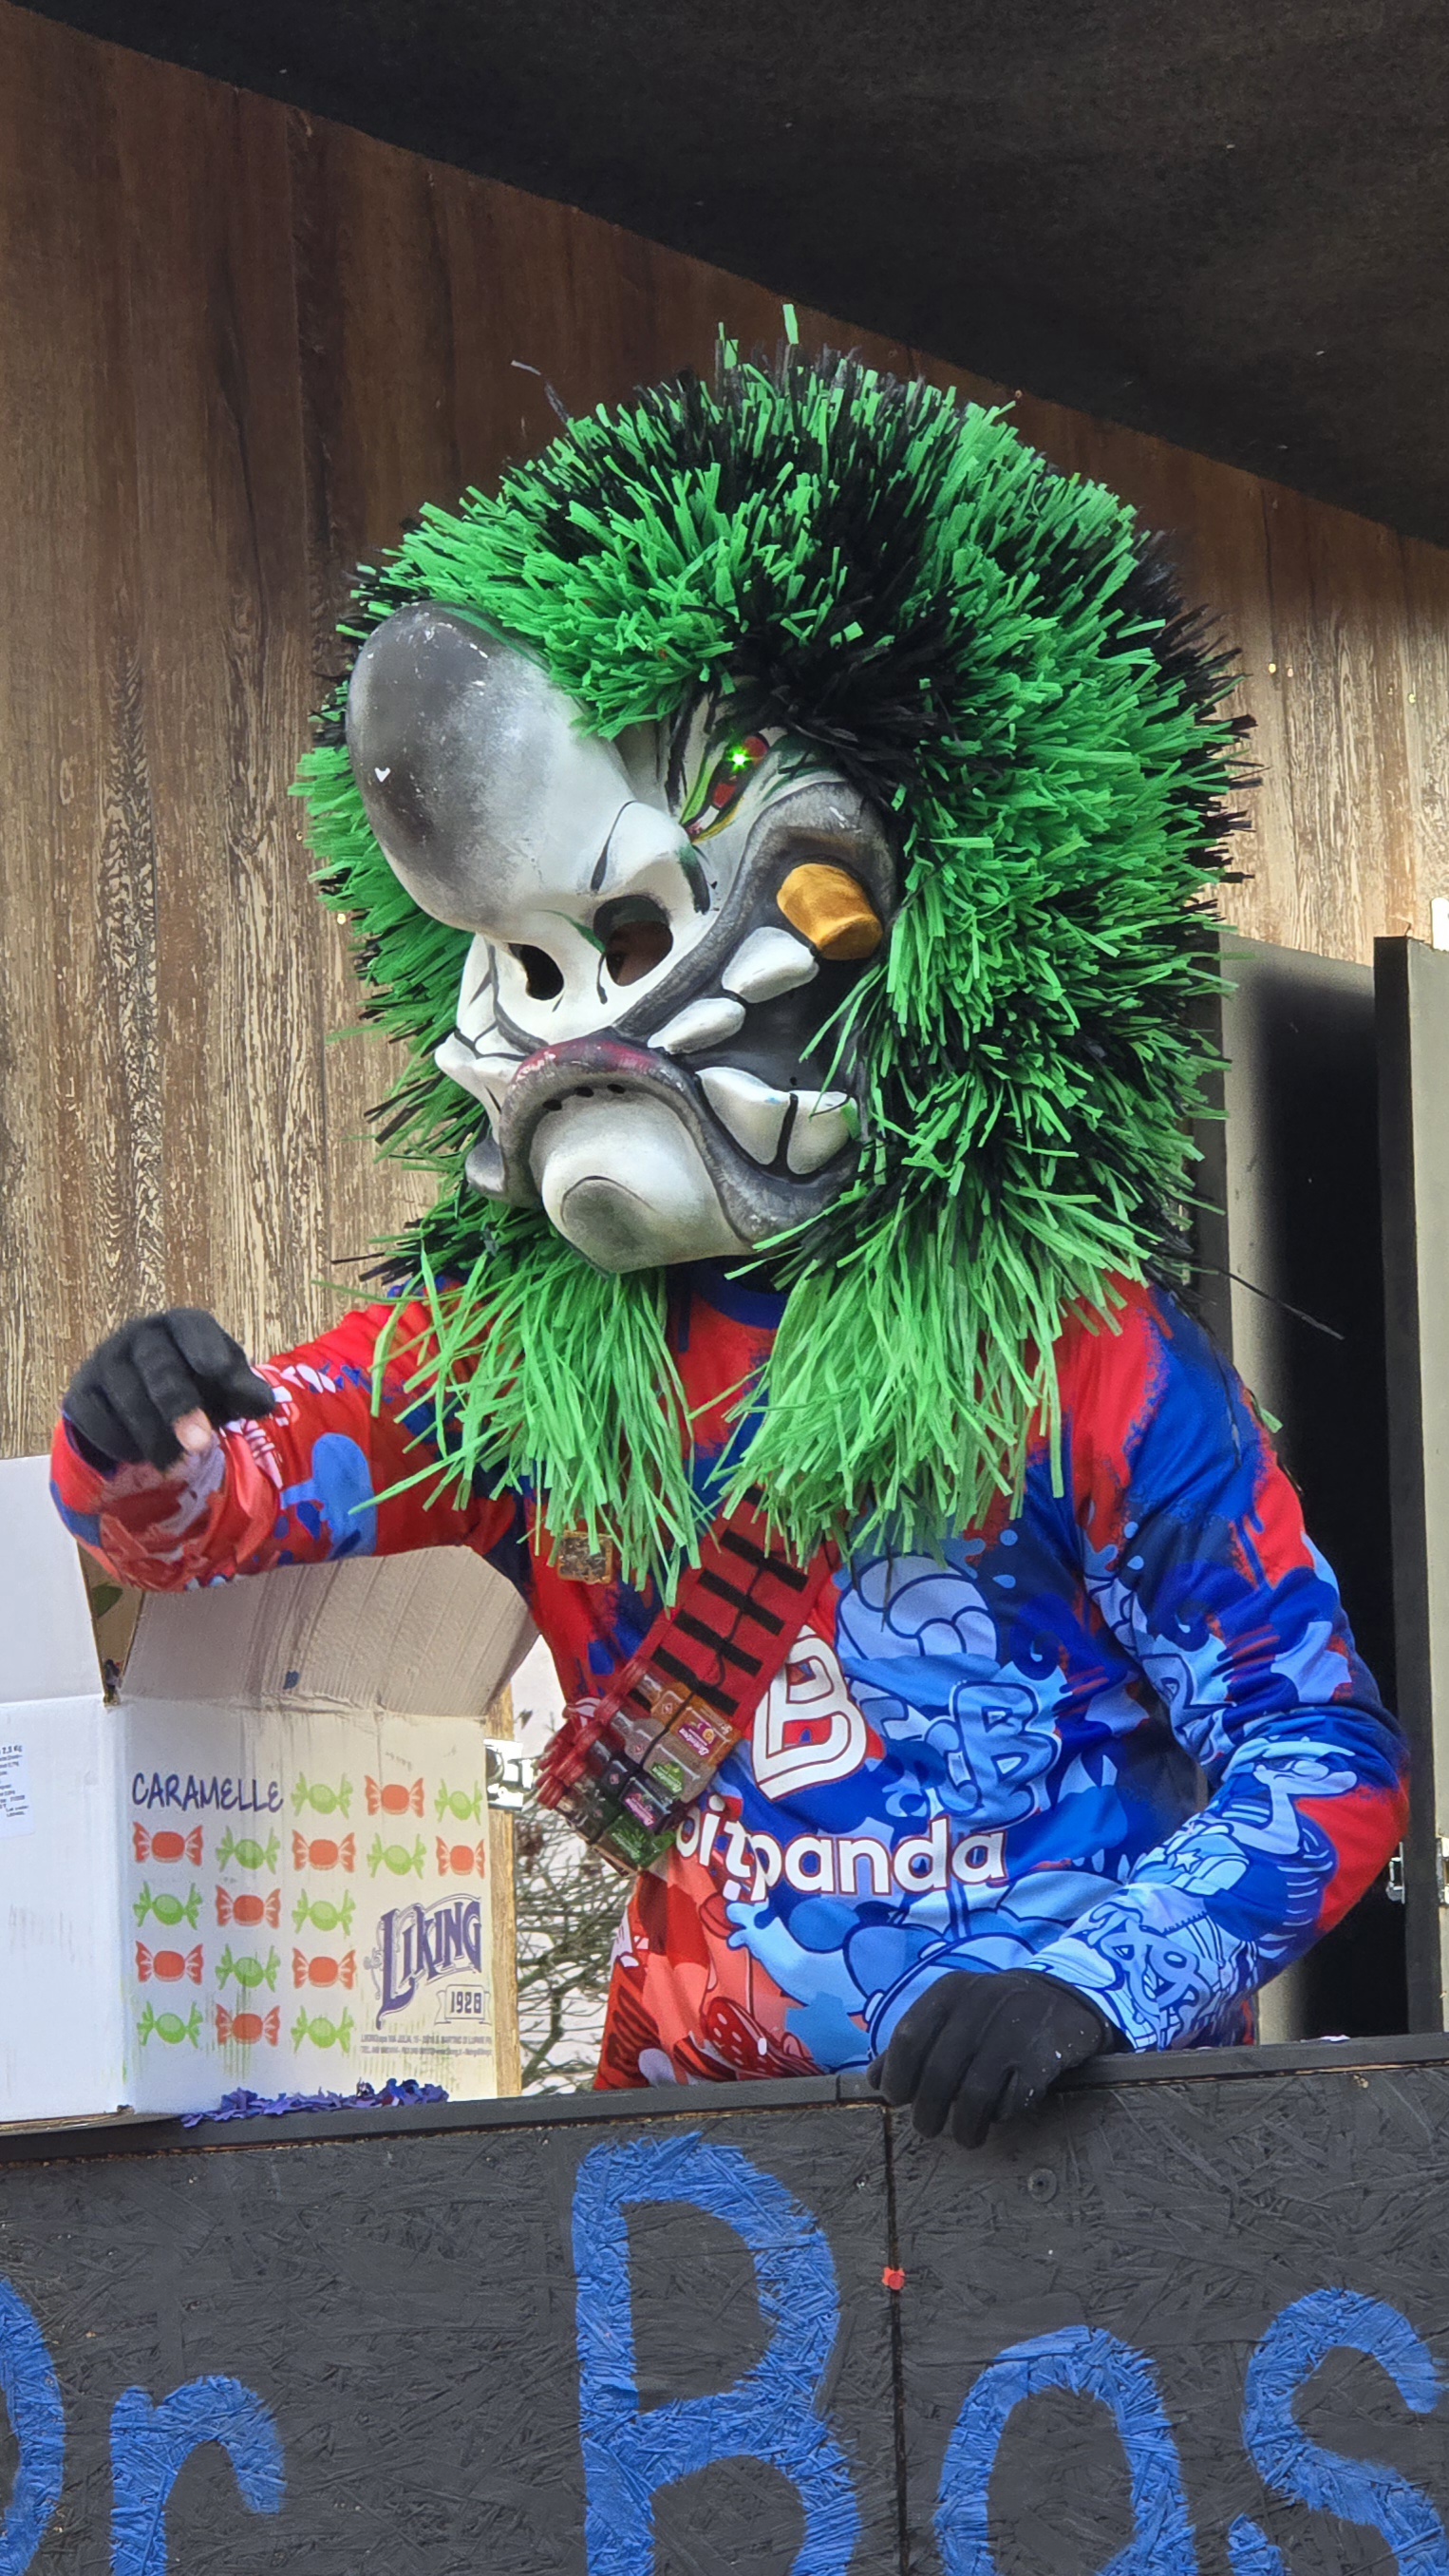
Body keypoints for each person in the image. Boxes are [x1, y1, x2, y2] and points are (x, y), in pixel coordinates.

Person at [52, 348, 1406, 2150]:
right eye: (535, 965)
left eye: (626, 938)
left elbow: (1317, 1760)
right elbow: (202, 1515)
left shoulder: (1078, 1360)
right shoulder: (515, 1360)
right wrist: (132, 1428)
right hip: (702, 2184)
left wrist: (1098, 1979)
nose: (580, 1022)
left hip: (1064, 2177)